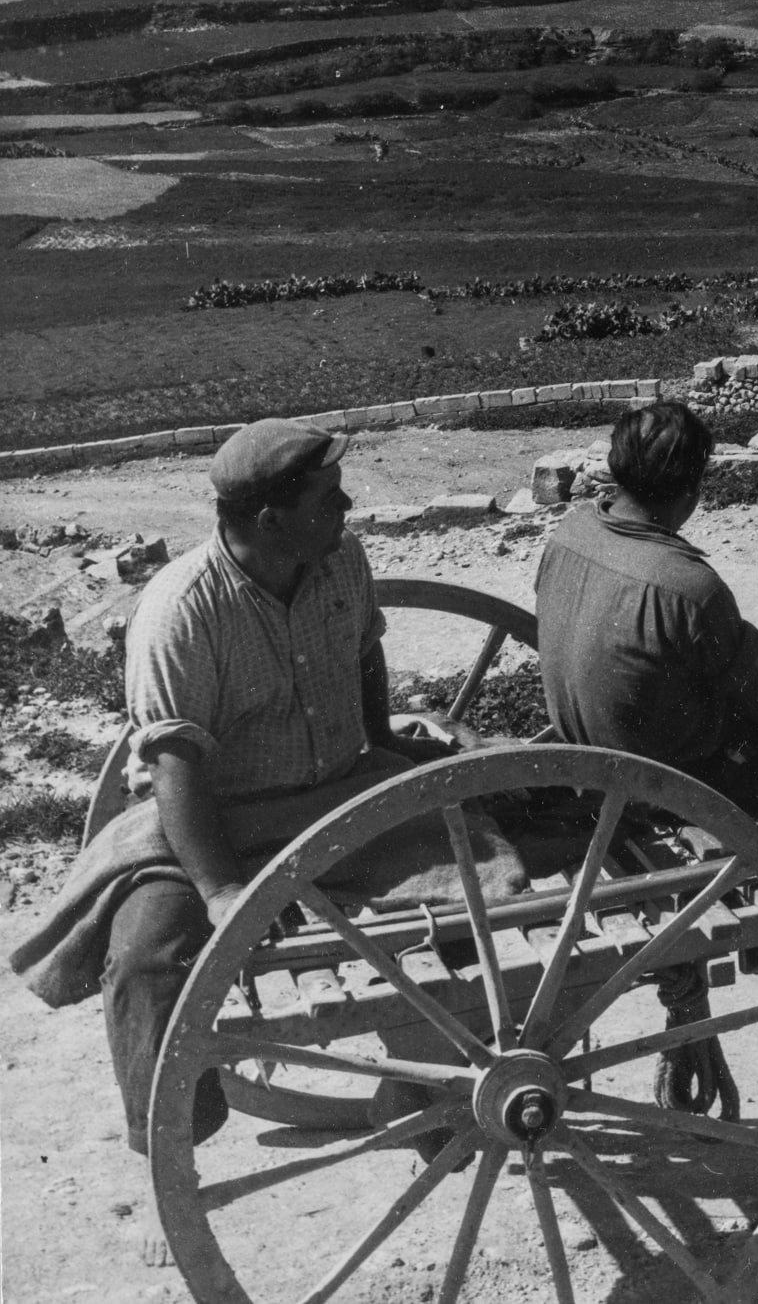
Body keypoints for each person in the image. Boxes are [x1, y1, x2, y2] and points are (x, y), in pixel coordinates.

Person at [11, 420, 417, 1265]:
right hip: (217, 817)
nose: (346, 505)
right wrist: (223, 891)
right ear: (270, 519)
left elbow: (367, 654)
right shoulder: (181, 611)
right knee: (148, 958)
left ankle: (422, 1076)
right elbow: (176, 772)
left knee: (498, 875)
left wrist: (386, 752)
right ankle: (171, 1161)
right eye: (326, 497)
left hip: (340, 792)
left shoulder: (341, 559)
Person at [536, 401, 758, 810]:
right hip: (666, 781)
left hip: (587, 753)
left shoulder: (570, 531)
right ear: (691, 489)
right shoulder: (690, 587)